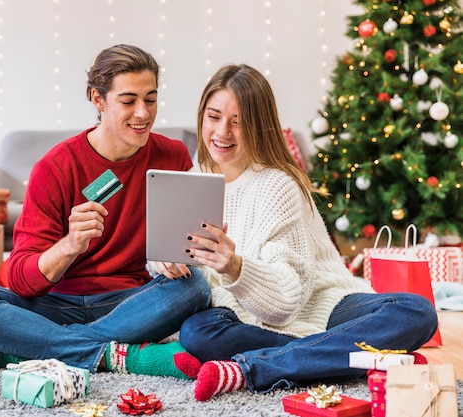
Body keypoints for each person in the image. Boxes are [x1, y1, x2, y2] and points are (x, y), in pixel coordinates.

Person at [170, 64, 438, 400]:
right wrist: (164, 263)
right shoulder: (193, 178)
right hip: (236, 314)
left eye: (238, 121)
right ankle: (356, 358)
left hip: (318, 306)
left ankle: (256, 367)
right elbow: (182, 264)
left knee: (416, 312)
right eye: (214, 117)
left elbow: (286, 305)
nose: (222, 131)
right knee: (197, 333)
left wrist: (235, 267)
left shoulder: (278, 185)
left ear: (258, 127)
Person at [0, 44, 211, 380]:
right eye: (128, 101)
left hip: (131, 303)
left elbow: (179, 252)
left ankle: (31, 348)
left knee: (195, 287)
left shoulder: (173, 157)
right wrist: (69, 245)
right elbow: (22, 281)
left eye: (151, 99)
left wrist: (188, 252)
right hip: (54, 305)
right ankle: (120, 357)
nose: (143, 113)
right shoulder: (54, 168)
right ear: (98, 100)